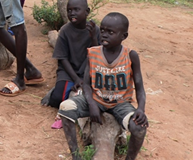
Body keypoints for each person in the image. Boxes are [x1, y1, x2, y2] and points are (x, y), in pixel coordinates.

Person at [58, 12, 148, 160]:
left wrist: (141, 109)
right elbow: (86, 84)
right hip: (97, 99)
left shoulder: (131, 56)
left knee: (139, 128)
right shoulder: (93, 53)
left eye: (110, 32)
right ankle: (75, 156)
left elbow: (139, 87)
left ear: (123, 36)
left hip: (120, 103)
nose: (104, 35)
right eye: (103, 30)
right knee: (65, 108)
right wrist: (92, 104)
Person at [43, 0, 100, 129]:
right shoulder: (65, 30)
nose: (72, 13)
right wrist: (75, 78)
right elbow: (62, 58)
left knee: (94, 95)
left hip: (88, 69)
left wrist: (93, 39)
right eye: (69, 10)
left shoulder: (94, 29)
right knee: (58, 98)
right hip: (68, 71)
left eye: (76, 10)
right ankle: (53, 92)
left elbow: (97, 55)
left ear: (87, 11)